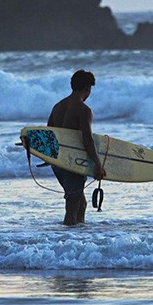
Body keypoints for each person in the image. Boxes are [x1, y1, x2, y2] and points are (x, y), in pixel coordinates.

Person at [47, 70, 106, 226]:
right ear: (87, 88)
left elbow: (49, 135)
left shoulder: (57, 107)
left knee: (81, 203)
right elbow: (87, 139)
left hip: (58, 164)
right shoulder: (84, 110)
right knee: (72, 206)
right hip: (73, 162)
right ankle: (68, 241)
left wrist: (49, 159)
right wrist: (97, 164)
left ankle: (78, 237)